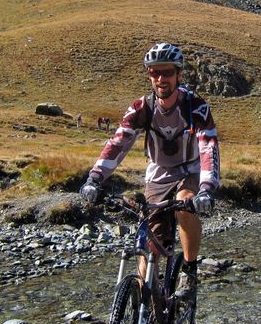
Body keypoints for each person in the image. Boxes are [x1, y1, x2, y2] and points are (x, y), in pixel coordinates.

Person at [80, 42, 220, 300]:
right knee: (150, 245)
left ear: (178, 74)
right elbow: (118, 143)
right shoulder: (141, 107)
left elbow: (208, 147)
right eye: (154, 72)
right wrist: (94, 179)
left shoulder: (195, 107)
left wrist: (207, 190)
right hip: (158, 173)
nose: (160, 78)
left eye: (166, 72)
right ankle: (147, 304)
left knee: (183, 203)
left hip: (189, 169)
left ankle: (188, 271)